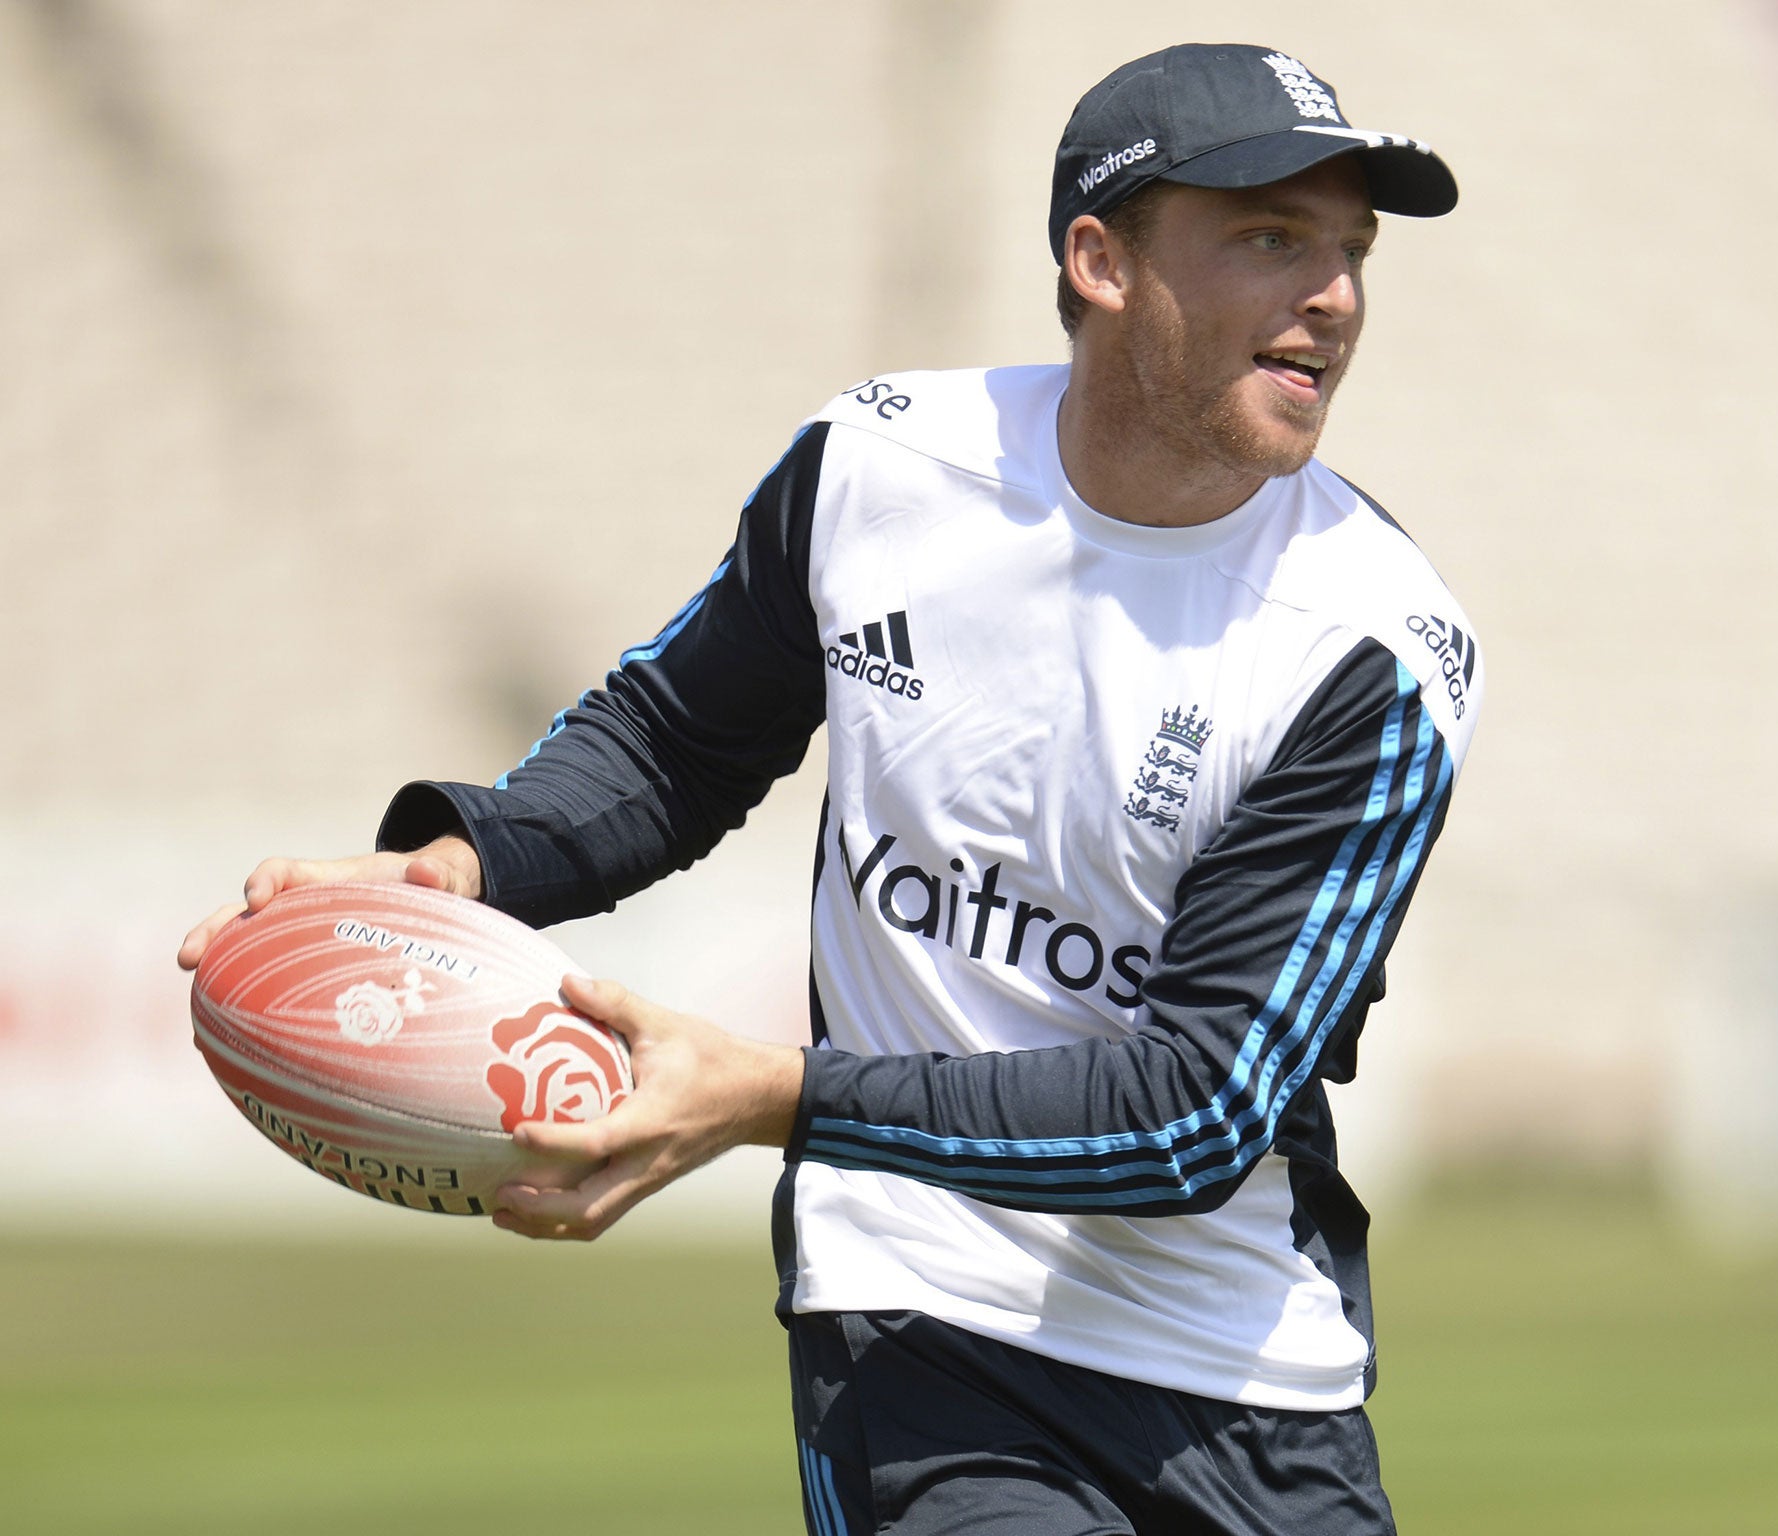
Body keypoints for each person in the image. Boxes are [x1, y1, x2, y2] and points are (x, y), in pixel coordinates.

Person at [180, 42, 1480, 1536]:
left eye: (1351, 252)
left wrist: (767, 1096)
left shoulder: (1373, 650)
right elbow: (675, 743)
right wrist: (455, 870)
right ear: (1100, 259)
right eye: (1270, 237)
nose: (1335, 296)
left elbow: (1192, 1114)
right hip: (921, 1327)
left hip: (1249, 1378)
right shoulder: (875, 470)